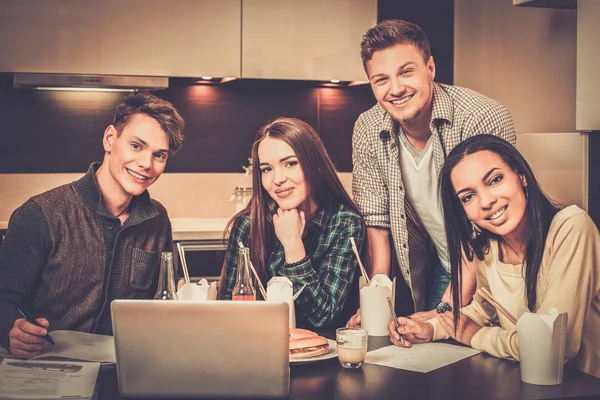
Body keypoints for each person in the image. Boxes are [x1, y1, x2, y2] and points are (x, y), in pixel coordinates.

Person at [388, 135, 600, 379]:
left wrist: (477, 335)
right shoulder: (488, 249)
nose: (487, 201)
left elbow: (550, 347)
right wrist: (429, 329)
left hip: (583, 387)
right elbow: (480, 311)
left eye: (495, 180)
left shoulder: (571, 227)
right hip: (525, 385)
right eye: (468, 197)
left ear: (521, 176)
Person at [349, 19, 516, 325]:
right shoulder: (367, 128)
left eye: (406, 72)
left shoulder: (480, 117)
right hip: (445, 264)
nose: (396, 89)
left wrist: (444, 313)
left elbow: (483, 227)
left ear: (431, 68)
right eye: (381, 80)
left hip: (499, 266)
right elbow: (377, 224)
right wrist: (376, 300)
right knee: (439, 360)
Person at [0, 92, 185, 359]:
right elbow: (4, 299)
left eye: (159, 155)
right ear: (110, 139)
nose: (146, 164)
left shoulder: (158, 219)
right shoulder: (40, 214)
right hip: (50, 368)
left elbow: (162, 302)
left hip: (129, 369)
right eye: (136, 146)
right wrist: (12, 329)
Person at [220, 117, 365, 328]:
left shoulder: (344, 223)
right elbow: (228, 311)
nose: (278, 179)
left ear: (314, 164)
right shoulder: (247, 226)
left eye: (290, 164)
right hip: (258, 348)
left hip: (326, 352)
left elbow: (322, 316)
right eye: (266, 169)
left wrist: (293, 247)